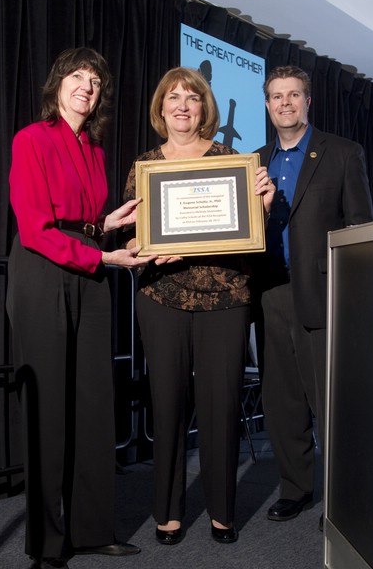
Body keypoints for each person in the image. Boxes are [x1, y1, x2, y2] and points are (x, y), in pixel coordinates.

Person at [6, 47, 157, 569]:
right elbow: (36, 229)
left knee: (94, 405)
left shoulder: (92, 147)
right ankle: (48, 545)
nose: (87, 87)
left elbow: (82, 219)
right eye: (78, 77)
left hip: (90, 273)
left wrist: (109, 225)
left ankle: (93, 531)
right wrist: (104, 255)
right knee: (49, 410)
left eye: (95, 82)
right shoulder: (32, 139)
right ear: (58, 84)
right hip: (43, 276)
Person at [122, 67, 275, 545]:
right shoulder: (144, 165)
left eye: (192, 97)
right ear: (161, 108)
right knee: (166, 404)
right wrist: (139, 243)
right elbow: (135, 233)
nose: (183, 105)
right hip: (162, 295)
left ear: (204, 107)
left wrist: (263, 208)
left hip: (226, 297)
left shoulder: (234, 160)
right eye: (174, 97)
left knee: (220, 407)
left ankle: (222, 513)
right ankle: (167, 513)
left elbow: (250, 235)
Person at [254, 65, 373, 529]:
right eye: (276, 96)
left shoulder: (343, 154)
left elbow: (361, 232)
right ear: (267, 105)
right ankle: (295, 489)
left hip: (324, 294)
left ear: (308, 102)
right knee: (282, 401)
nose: (285, 103)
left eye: (293, 95)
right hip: (270, 292)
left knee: (330, 403)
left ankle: (343, 501)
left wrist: (354, 301)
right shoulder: (254, 161)